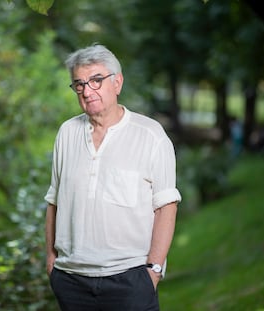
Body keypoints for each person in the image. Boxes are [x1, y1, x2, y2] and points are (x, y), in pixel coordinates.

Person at [44, 44, 181, 311]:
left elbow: (166, 207)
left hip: (130, 280)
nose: (87, 90)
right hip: (71, 281)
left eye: (96, 80)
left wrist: (153, 270)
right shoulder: (67, 133)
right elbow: (54, 200)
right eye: (79, 84)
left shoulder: (151, 135)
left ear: (117, 82)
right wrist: (51, 259)